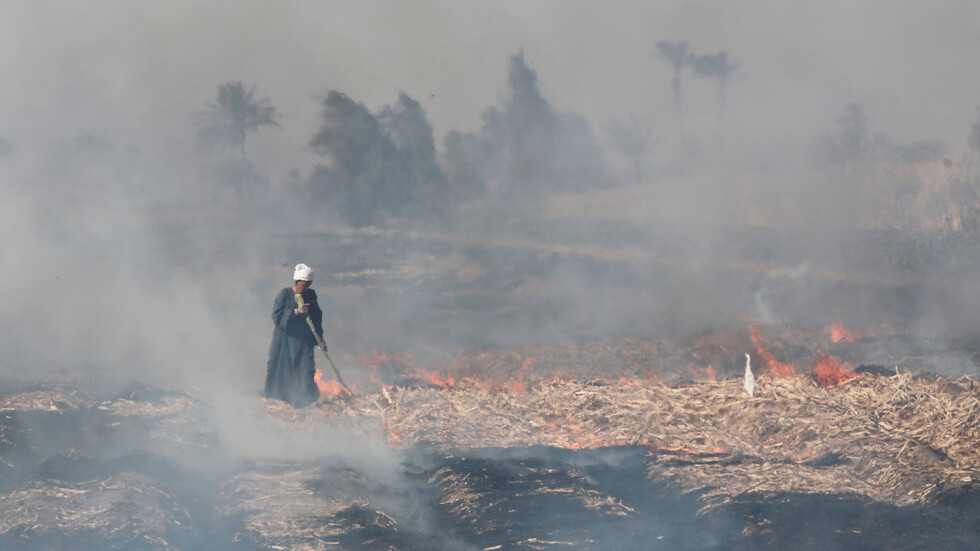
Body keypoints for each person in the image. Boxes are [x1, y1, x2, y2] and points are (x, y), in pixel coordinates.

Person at [263, 263, 326, 407]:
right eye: (305, 284)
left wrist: (320, 339)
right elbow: (276, 317)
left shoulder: (311, 295)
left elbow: (316, 317)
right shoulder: (284, 294)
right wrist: (296, 312)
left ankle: (305, 400)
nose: (308, 287)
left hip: (304, 341)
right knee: (281, 368)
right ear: (297, 282)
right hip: (284, 340)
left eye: (310, 284)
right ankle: (279, 398)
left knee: (306, 369)